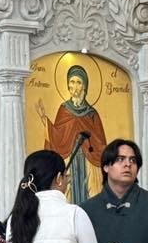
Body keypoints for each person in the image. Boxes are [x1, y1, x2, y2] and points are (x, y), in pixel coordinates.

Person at [36, 64, 107, 204]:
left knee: (89, 193)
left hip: (88, 162)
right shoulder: (64, 110)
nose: (75, 86)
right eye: (72, 82)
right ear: (68, 85)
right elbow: (57, 137)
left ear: (84, 86)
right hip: (69, 159)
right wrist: (45, 120)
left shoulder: (92, 114)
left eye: (79, 82)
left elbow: (101, 143)